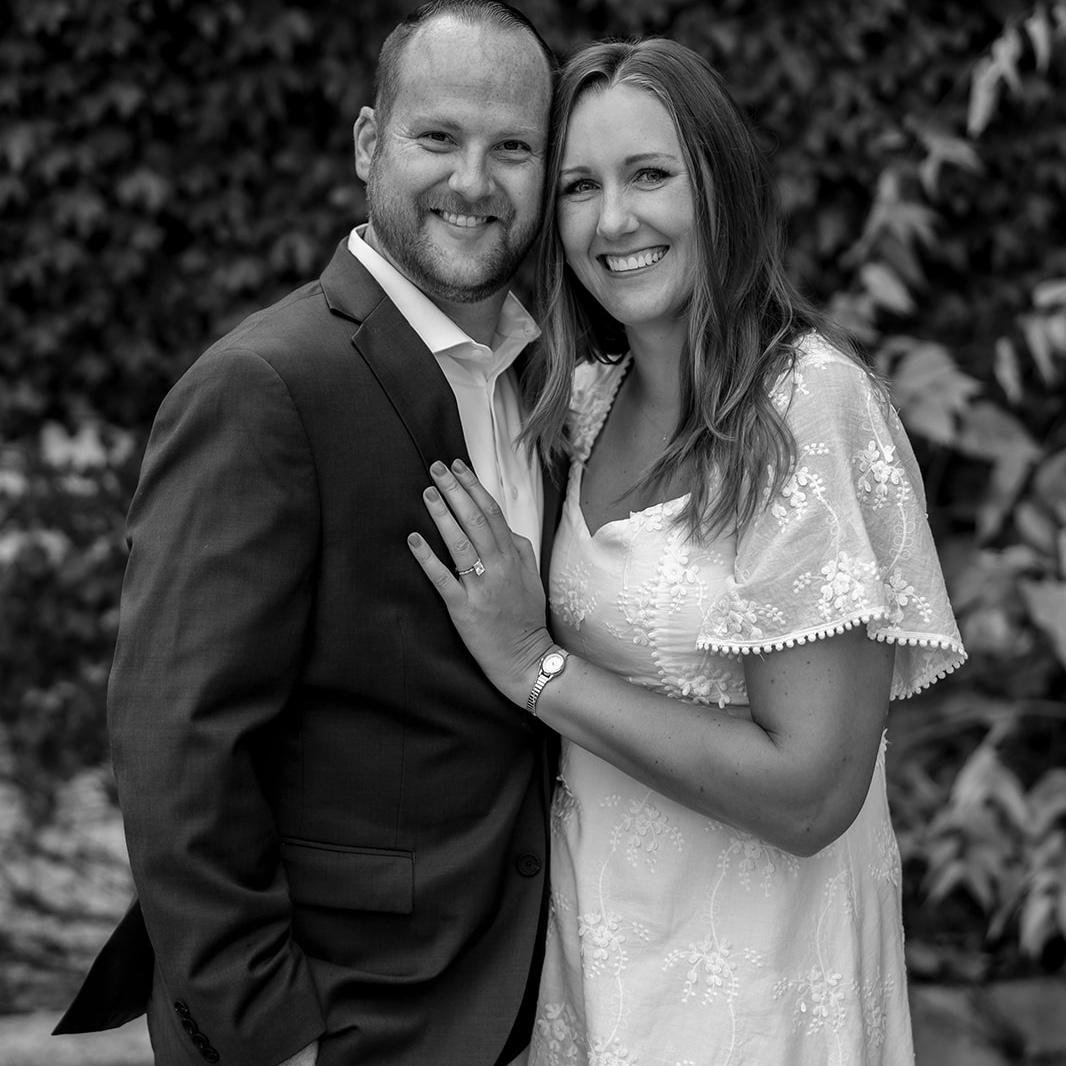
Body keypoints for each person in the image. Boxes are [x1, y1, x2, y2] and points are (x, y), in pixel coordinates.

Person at [407, 38, 967, 1065]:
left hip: (755, 986)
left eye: (650, 175)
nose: (614, 221)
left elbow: (811, 794)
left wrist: (535, 667)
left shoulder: (808, 408)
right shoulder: (582, 404)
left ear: (721, 186)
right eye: (580, 186)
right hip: (595, 960)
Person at [53, 3, 560, 1065]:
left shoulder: (547, 381)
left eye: (512, 148)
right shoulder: (265, 385)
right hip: (342, 1015)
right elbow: (177, 743)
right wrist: (270, 1034)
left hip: (527, 998)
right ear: (370, 142)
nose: (474, 181)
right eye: (438, 137)